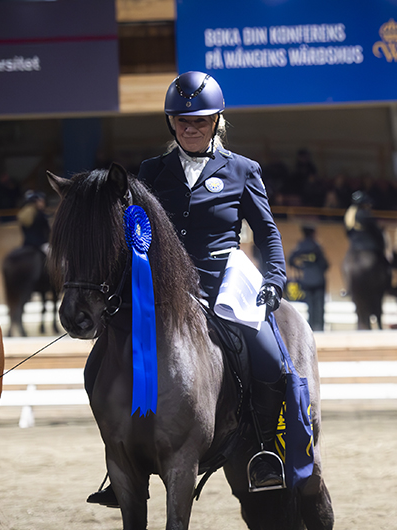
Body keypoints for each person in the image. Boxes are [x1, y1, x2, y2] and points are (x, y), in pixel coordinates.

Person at [87, 71, 289, 507]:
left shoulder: (242, 170)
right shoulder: (151, 171)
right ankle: (119, 460)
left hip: (223, 286)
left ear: (216, 121)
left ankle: (267, 452)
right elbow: (130, 234)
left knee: (273, 362)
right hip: (158, 287)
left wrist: (274, 278)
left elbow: (268, 234)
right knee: (100, 361)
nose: (190, 128)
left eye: (199, 120)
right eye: (181, 121)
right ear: (170, 123)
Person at [288, 225, 329, 331]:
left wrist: (301, 268)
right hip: (319, 279)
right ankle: (319, 327)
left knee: (310, 306)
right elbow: (325, 264)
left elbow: (290, 259)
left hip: (306, 279)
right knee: (319, 306)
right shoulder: (316, 246)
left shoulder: (301, 246)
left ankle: (311, 328)